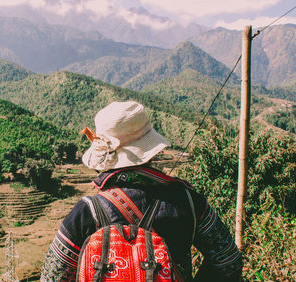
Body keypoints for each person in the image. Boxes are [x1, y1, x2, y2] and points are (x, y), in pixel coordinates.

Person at [41, 101, 243, 281]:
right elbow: (229, 261)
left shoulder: (88, 212)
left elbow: (51, 275)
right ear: (151, 151)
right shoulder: (188, 201)